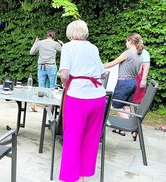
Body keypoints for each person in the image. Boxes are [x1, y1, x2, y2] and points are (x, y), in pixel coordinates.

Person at [58, 20, 106, 182]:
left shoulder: (67, 47)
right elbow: (102, 72)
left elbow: (64, 74)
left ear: (70, 32)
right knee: (91, 139)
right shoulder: (93, 48)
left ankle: (72, 178)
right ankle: (83, 176)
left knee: (72, 139)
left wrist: (67, 83)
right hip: (98, 98)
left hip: (78, 98)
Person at [104, 33, 143, 138]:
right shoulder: (140, 55)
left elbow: (112, 63)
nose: (125, 43)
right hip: (133, 83)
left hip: (123, 83)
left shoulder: (127, 53)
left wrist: (100, 66)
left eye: (126, 41)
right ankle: (122, 130)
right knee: (126, 106)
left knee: (116, 106)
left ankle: (134, 129)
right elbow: (139, 72)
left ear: (130, 41)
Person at [29, 30, 63, 112]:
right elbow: (65, 52)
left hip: (41, 67)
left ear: (47, 35)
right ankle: (51, 106)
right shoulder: (55, 44)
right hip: (51, 67)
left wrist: (35, 42)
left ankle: (35, 103)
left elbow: (31, 52)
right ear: (54, 37)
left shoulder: (40, 43)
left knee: (41, 86)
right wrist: (62, 44)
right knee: (52, 87)